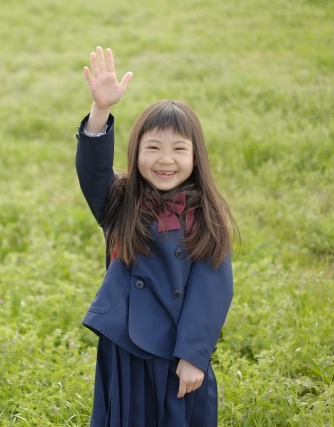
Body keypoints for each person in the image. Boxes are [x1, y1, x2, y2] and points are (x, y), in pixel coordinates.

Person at [76, 46, 237, 426]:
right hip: (125, 345)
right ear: (135, 153)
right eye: (153, 148)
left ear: (196, 157)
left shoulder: (206, 214)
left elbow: (213, 289)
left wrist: (194, 356)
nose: (165, 160)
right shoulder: (120, 200)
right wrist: (100, 111)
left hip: (176, 348)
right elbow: (93, 171)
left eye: (179, 149)